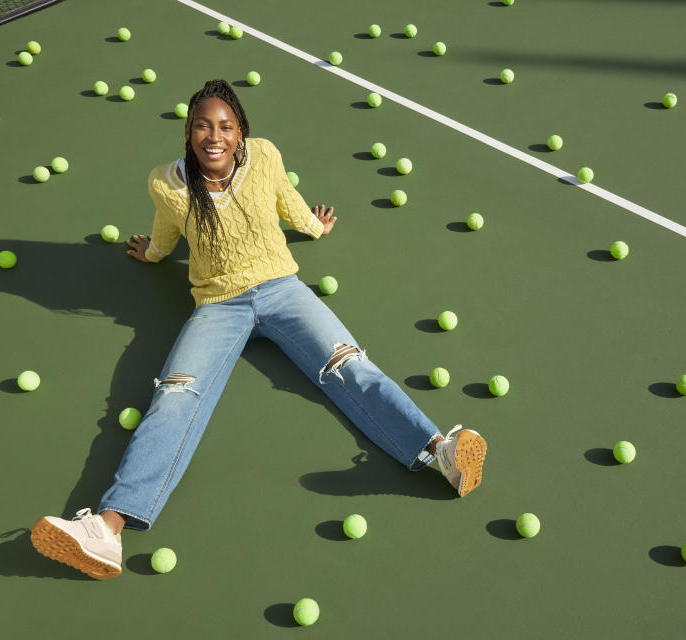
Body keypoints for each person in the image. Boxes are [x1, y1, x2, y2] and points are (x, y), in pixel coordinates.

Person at [30, 79, 488, 580]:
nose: (214, 136)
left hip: (283, 290)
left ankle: (439, 451)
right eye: (203, 125)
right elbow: (167, 226)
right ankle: (107, 531)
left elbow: (287, 199)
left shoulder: (264, 156)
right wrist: (153, 254)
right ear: (189, 131)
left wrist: (314, 227)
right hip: (217, 306)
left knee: (347, 362)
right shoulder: (167, 181)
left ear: (241, 132)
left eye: (226, 126)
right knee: (176, 395)